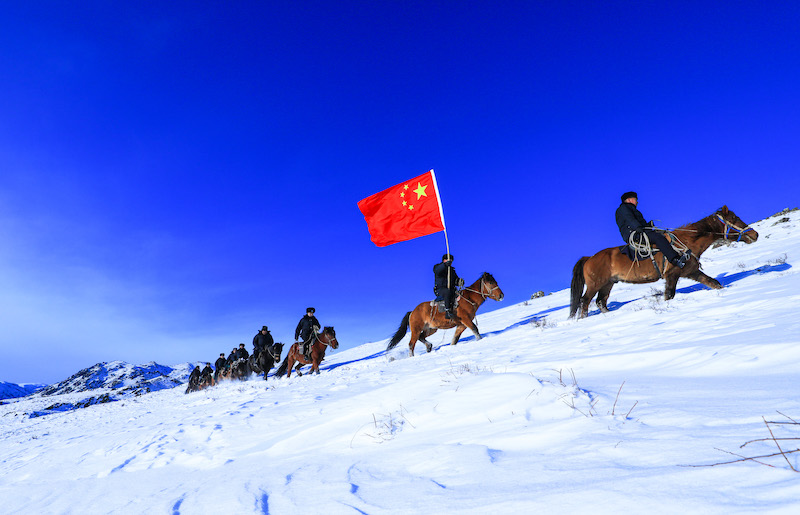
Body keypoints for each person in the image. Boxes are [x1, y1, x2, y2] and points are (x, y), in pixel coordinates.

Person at [615, 192, 691, 268]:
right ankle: (675, 259)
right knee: (658, 237)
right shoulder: (623, 209)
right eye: (635, 199)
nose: (637, 201)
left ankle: (678, 253)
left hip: (639, 231)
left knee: (664, 234)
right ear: (629, 200)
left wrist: (649, 225)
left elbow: (639, 224)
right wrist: (638, 228)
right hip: (634, 234)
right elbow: (630, 219)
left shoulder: (632, 209)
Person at [434, 254, 461, 319]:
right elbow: (437, 270)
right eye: (448, 260)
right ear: (444, 260)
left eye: (451, 261)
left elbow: (455, 280)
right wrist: (445, 265)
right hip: (441, 289)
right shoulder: (437, 267)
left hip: (452, 289)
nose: (450, 262)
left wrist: (459, 281)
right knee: (447, 292)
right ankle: (448, 311)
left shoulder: (452, 270)